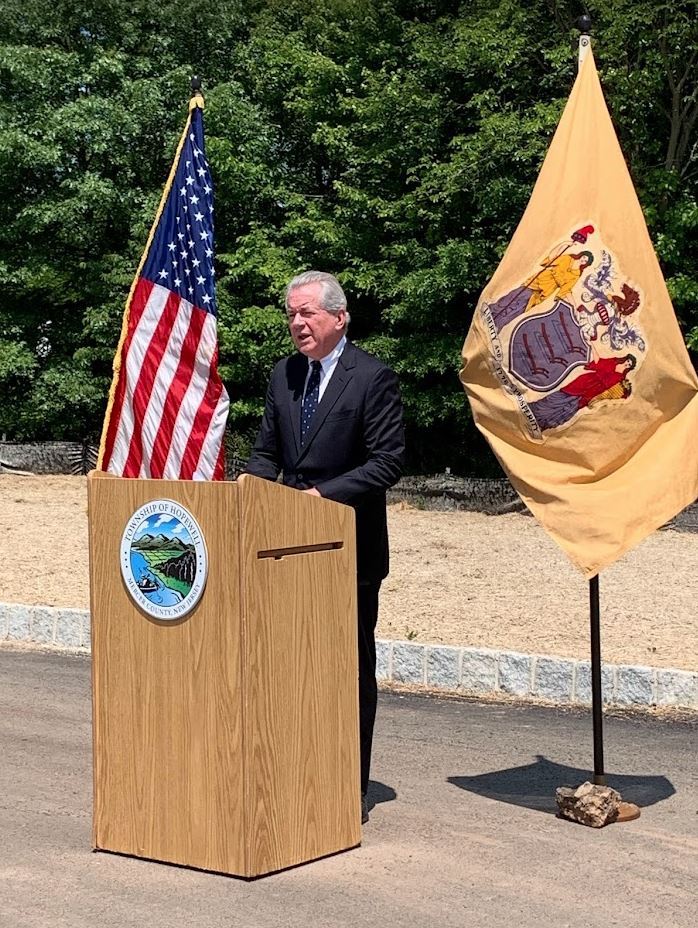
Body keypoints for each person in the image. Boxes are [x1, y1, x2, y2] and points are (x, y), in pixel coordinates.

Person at [245, 270, 405, 824]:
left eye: (307, 313)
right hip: (283, 549)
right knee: (291, 666)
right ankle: (297, 771)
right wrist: (252, 492)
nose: (296, 323)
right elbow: (266, 452)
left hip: (349, 552)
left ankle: (348, 785)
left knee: (347, 669)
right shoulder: (284, 375)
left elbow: (387, 462)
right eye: (291, 314)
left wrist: (321, 496)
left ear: (339, 318)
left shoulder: (372, 378)